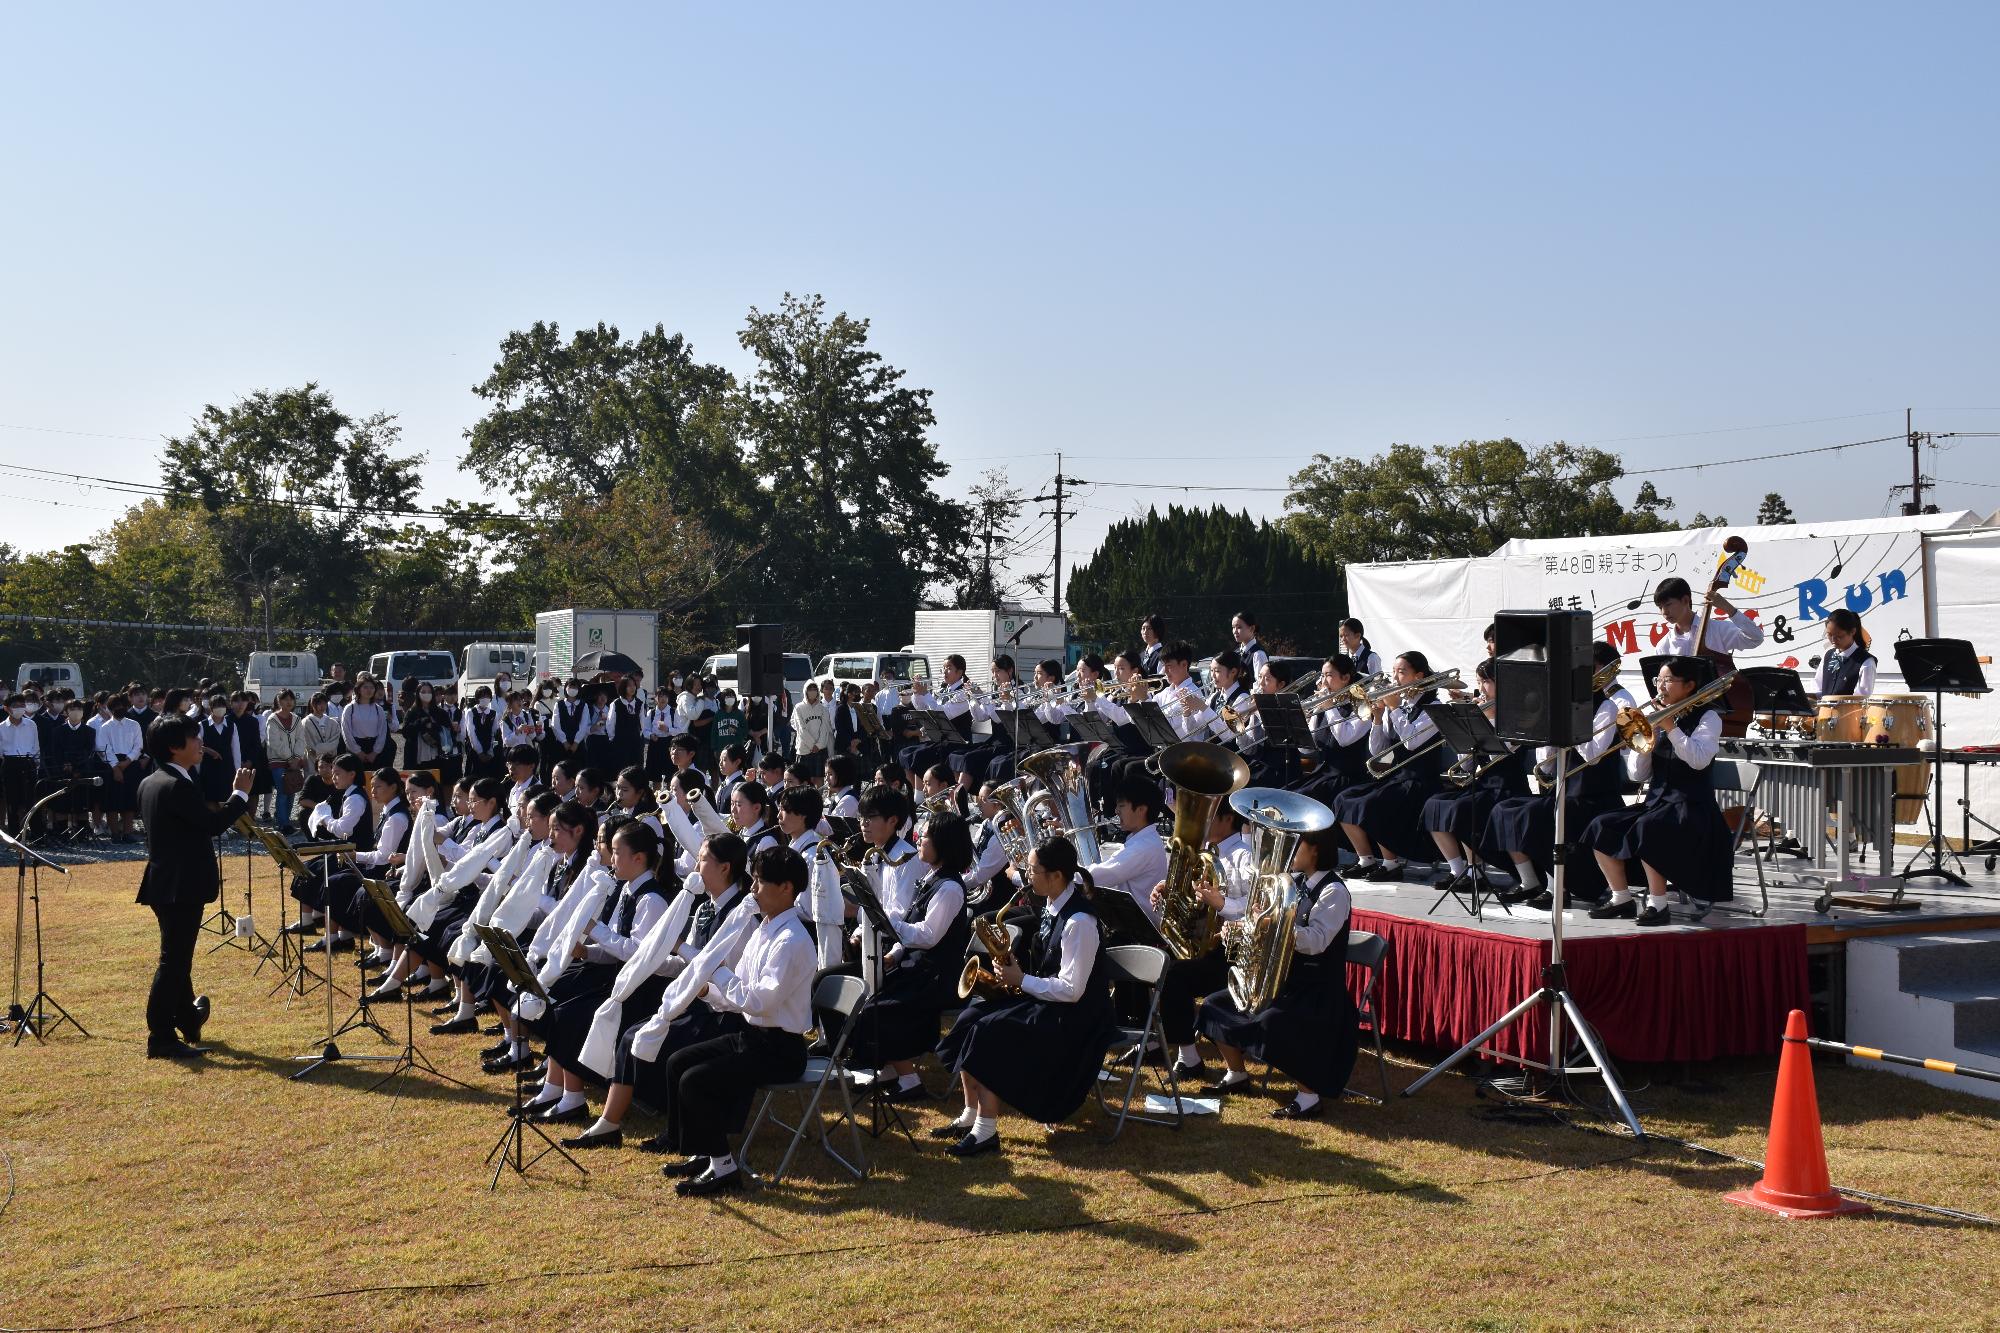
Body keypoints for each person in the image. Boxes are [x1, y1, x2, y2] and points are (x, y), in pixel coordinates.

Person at [560, 833, 757, 1151]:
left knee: (642, 1039)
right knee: (632, 1037)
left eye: (703, 859)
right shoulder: (707, 907)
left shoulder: (741, 919)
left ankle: (658, 1129)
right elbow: (682, 965)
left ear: (724, 868)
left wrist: (686, 957)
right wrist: (648, 961)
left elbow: (732, 980)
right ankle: (609, 1124)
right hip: (696, 1002)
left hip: (723, 1015)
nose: (695, 865)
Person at [933, 836, 1113, 1157]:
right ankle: (969, 1114)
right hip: (1050, 1001)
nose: (1027, 877)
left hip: (1077, 1018)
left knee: (990, 1031)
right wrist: (1014, 968)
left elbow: (1072, 990)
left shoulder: (1080, 922)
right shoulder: (1052, 904)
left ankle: (985, 1131)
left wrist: (1022, 979)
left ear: (1056, 876)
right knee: (971, 1017)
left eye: (1033, 871)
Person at [656, 843, 816, 1196]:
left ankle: (725, 1169)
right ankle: (703, 1153)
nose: (753, 889)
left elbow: (758, 1000)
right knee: (678, 1062)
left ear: (786, 888)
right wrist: (707, 993)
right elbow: (737, 992)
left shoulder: (792, 940)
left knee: (696, 1081)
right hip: (753, 1036)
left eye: (760, 882)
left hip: (781, 1050)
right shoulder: (764, 929)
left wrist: (716, 973)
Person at [1198, 823, 1357, 1119]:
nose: (1290, 854)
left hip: (1316, 989)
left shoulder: (1334, 891)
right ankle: (1237, 1074)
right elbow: (1262, 922)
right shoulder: (1294, 883)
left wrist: (1276, 925)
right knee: (1214, 1004)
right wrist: (1242, 926)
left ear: (1316, 850)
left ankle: (1308, 1097)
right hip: (1283, 982)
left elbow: (1317, 942)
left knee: (1272, 1022)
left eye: (1297, 846)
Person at [135, 716, 256, 1059]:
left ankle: (188, 1018)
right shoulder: (176, 785)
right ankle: (160, 1035)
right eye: (193, 738)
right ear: (175, 746)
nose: (200, 744)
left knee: (178, 957)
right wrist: (240, 795)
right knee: (173, 961)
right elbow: (212, 823)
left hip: (166, 882)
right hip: (180, 884)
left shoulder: (153, 781)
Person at [1581, 656, 1732, 926]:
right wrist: (1644, 749)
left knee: (1649, 829)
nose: (1660, 687)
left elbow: (1698, 760)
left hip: (1692, 806)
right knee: (1600, 825)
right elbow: (1637, 776)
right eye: (1658, 680)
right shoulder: (1657, 716)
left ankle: (1658, 905)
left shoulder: (1708, 717)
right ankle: (1621, 898)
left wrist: (1671, 728)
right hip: (1658, 802)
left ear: (1689, 686)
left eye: (1667, 680)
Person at [848, 810, 974, 1102]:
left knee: (877, 1010)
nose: (918, 840)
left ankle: (910, 1080)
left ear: (944, 843)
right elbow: (914, 931)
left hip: (938, 976)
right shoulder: (932, 878)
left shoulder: (951, 887)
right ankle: (891, 1070)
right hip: (919, 968)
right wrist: (895, 952)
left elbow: (929, 935)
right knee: (868, 993)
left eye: (925, 836)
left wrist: (892, 922)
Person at [1334, 651, 1447, 882]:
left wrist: (1394, 709)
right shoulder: (1400, 704)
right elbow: (1378, 751)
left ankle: (1391, 864)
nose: (1395, 678)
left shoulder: (1434, 707)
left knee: (1373, 805)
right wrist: (1377, 718)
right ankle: (1366, 859)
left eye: (1402, 672)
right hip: (1397, 778)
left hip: (1420, 781)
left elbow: (1412, 742)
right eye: (1393, 672)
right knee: (1344, 799)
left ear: (1419, 676)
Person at [94, 691, 144, 843]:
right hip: (111, 765)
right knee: (112, 802)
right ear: (109, 708)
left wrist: (127, 761)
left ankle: (128, 833)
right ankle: (115, 834)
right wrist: (116, 767)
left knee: (129, 801)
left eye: (122, 705)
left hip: (130, 763)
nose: (119, 708)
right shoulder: (105, 727)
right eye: (115, 706)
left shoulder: (134, 725)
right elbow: (103, 748)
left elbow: (138, 746)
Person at [263, 690, 308, 834]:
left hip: (294, 761)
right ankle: (283, 824)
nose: (288, 702)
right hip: (278, 761)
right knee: (283, 791)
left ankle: (286, 820)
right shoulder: (273, 719)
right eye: (285, 699)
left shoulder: (296, 719)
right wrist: (289, 758)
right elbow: (273, 742)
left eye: (291, 699)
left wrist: (296, 757)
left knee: (292, 790)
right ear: (279, 701)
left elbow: (301, 739)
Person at [0, 693, 41, 834]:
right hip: (10, 763)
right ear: (6, 708)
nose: (19, 709)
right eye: (15, 706)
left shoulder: (31, 724)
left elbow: (36, 746)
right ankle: (14, 834)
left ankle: (36, 833)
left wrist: (36, 762)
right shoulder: (1, 727)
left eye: (22, 705)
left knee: (32, 800)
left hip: (28, 762)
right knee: (12, 802)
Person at [1814, 608, 1877, 697]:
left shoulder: (1866, 661)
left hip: (1849, 710)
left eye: (1839, 636)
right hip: (1824, 710)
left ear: (1852, 631)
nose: (1833, 639)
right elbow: (1818, 688)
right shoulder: (1828, 655)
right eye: (1829, 634)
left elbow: (1862, 697)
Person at [1231, 611, 1270, 680]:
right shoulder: (1235, 653)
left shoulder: (1258, 654)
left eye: (1239, 627)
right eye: (1233, 627)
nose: (1235, 631)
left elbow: (1261, 685)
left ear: (1252, 628)